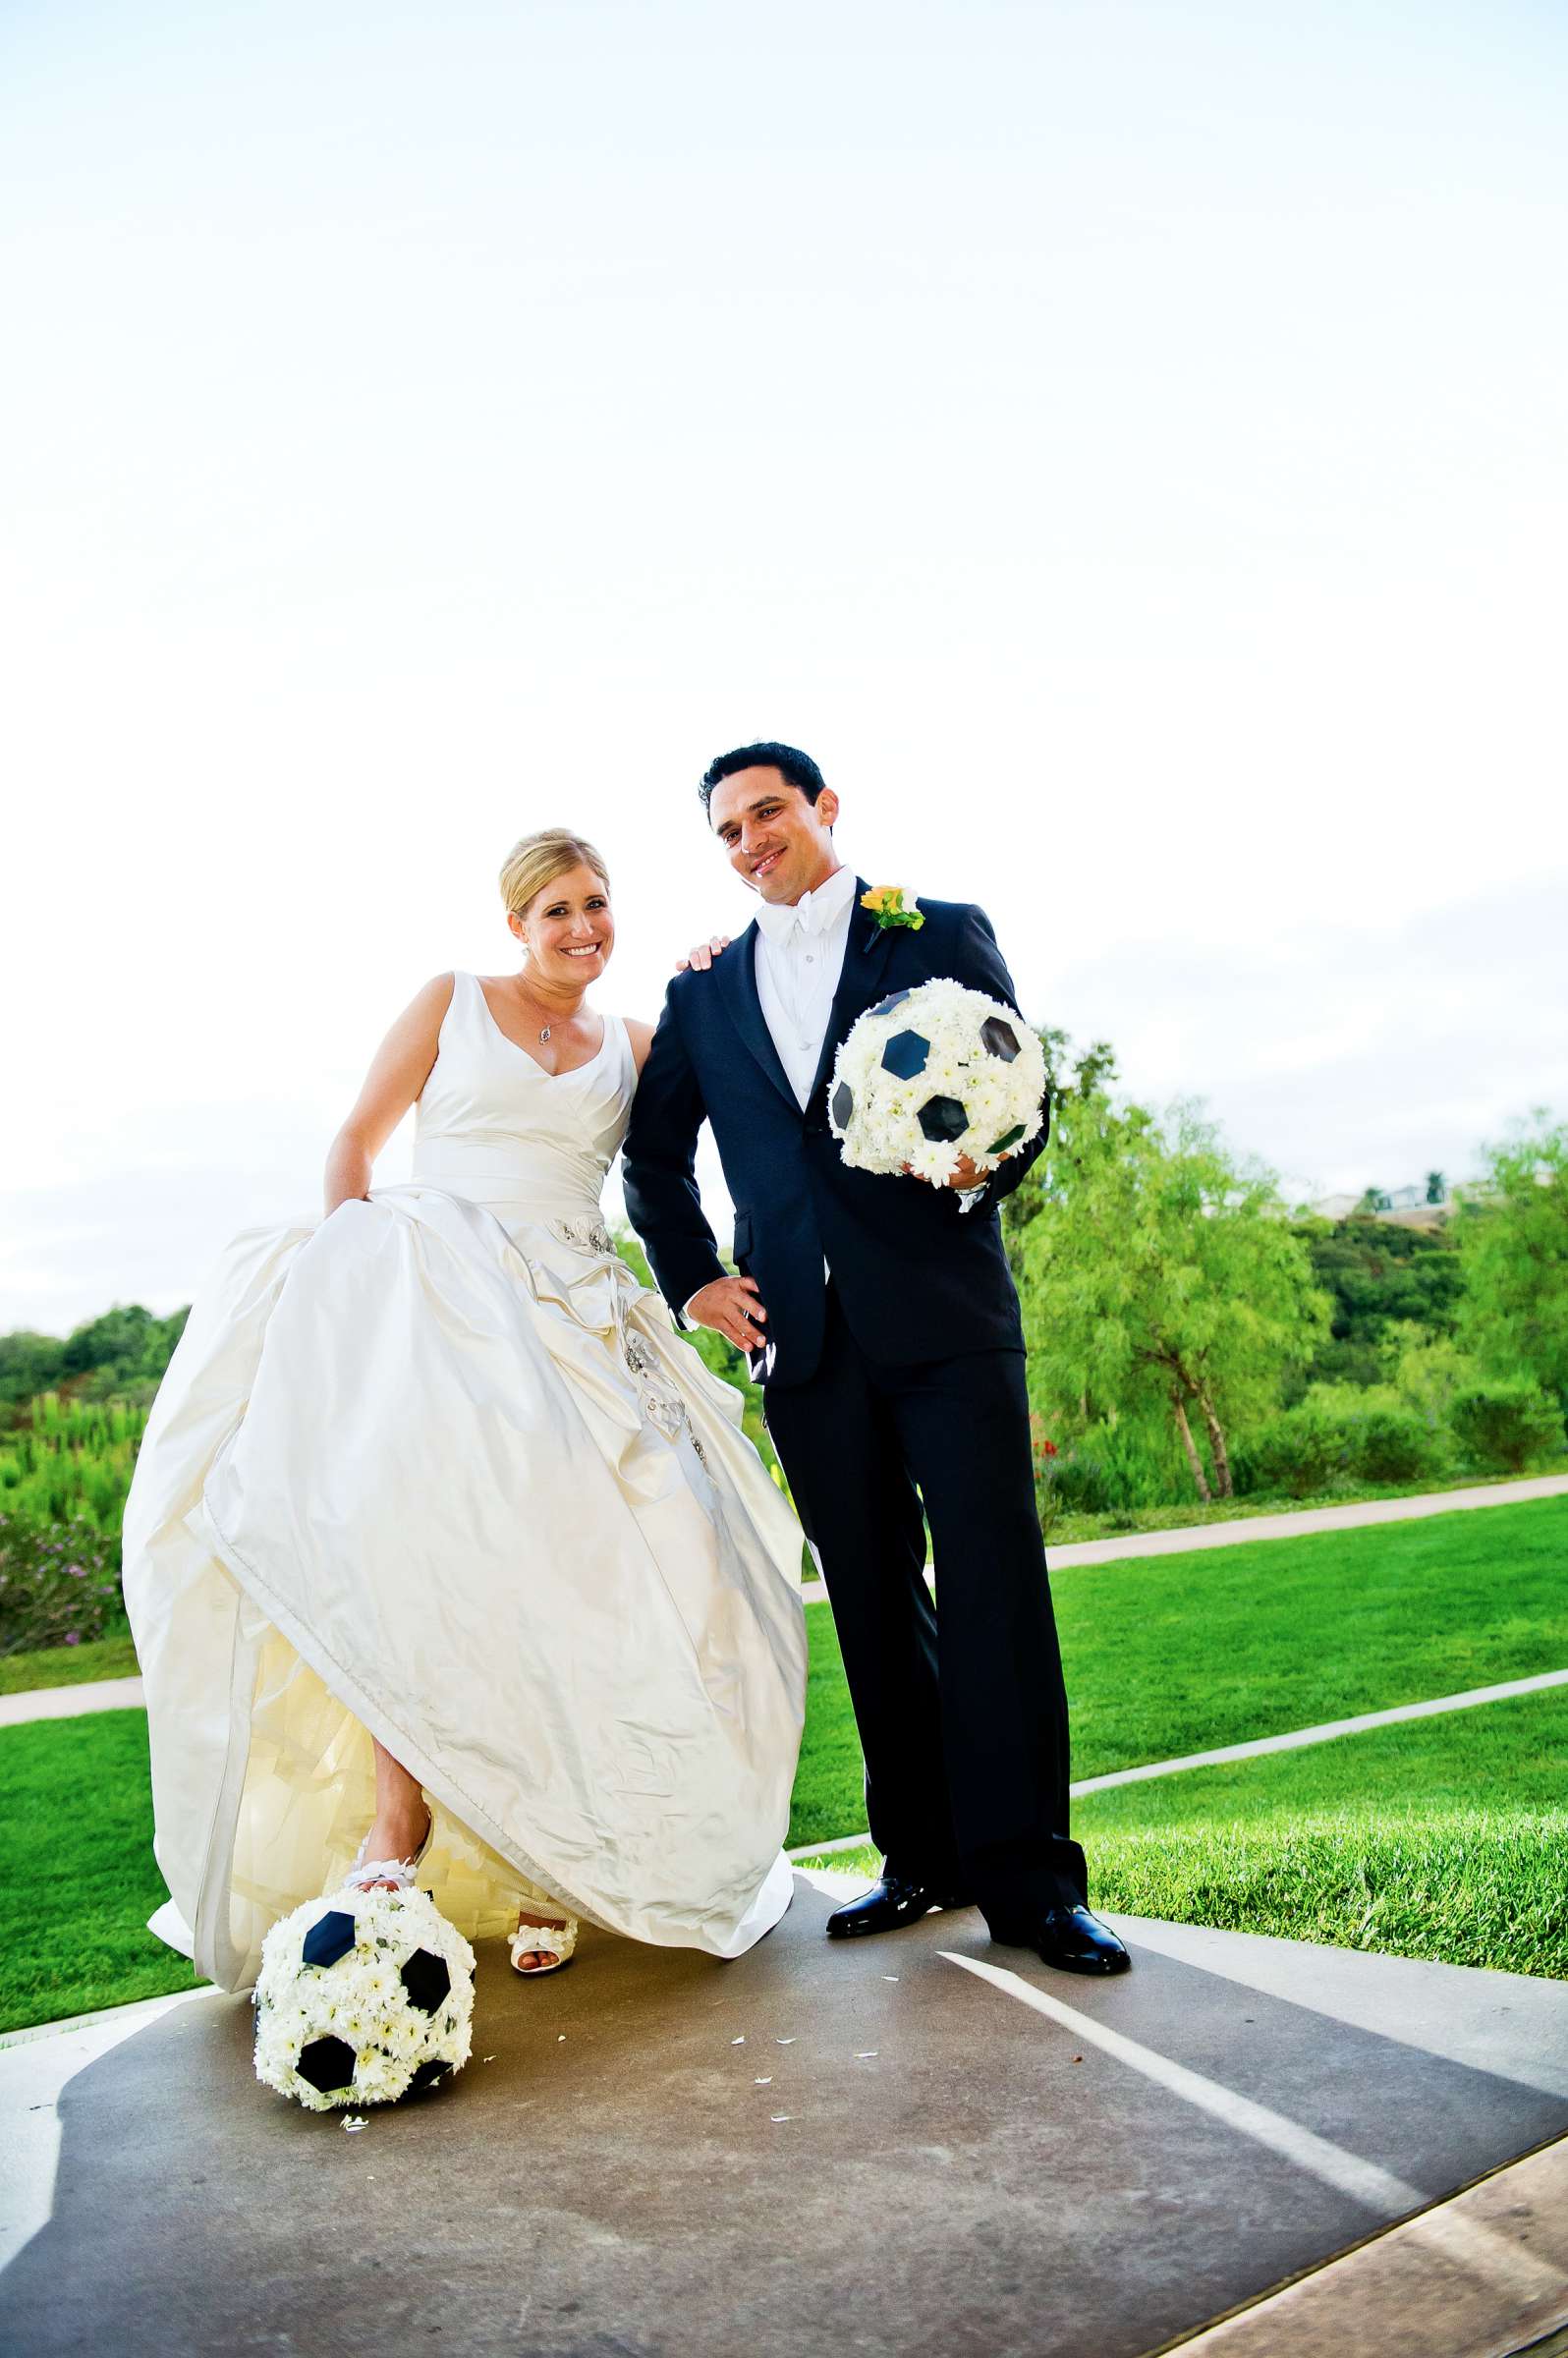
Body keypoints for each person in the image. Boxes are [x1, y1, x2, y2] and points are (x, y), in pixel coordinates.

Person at [122, 829, 807, 1994]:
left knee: (600, 1576)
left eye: (597, 903)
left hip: (577, 1318)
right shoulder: (451, 1000)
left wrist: (710, 976)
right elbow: (354, 1141)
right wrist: (352, 1280)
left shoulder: (639, 1043)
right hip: (434, 1302)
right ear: (516, 924)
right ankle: (401, 1818)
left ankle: (562, 1860)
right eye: (556, 911)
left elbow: (698, 1136)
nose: (582, 926)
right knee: (410, 1569)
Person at [623, 745, 1129, 1975]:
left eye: (770, 814)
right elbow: (653, 1156)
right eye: (730, 831)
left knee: (996, 1584)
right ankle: (922, 1858)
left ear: (822, 808)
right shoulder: (702, 995)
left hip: (947, 1317)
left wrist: (985, 1167)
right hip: (804, 1338)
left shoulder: (938, 931)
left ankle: (1034, 1884)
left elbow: (1023, 1088)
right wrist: (694, 1278)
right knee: (870, 1600)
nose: (753, 843)